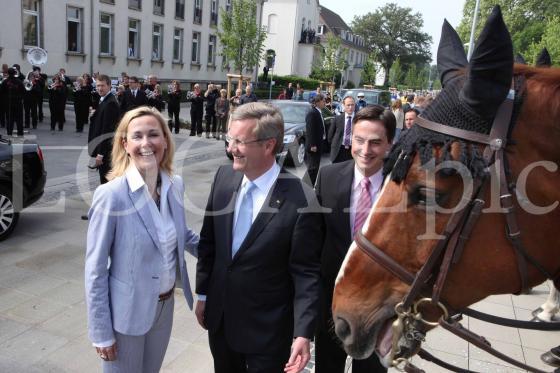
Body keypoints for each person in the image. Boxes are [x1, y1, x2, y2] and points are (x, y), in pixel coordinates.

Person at [195, 102, 322, 373]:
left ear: (268, 145)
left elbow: (305, 273)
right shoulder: (223, 178)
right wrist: (203, 294)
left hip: (268, 330)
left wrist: (303, 333)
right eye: (230, 139)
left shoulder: (302, 198)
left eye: (240, 141)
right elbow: (209, 243)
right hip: (221, 320)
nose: (231, 149)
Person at [85, 106, 199, 373]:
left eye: (153, 134)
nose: (146, 143)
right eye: (137, 136)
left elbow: (181, 233)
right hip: (126, 313)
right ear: (125, 144)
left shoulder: (174, 184)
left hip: (164, 308)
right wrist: (101, 331)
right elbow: (95, 270)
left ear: (165, 141)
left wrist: (229, 252)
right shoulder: (111, 196)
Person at [314, 104, 395, 373]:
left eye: (375, 142)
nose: (365, 149)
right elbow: (312, 242)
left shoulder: (401, 188)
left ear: (389, 144)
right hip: (332, 304)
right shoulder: (327, 177)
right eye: (359, 140)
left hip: (379, 310)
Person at [87, 74, 120, 184]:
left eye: (102, 85)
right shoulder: (104, 100)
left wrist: (100, 154)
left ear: (109, 86)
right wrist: (94, 116)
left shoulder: (111, 103)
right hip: (103, 150)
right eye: (97, 86)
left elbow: (107, 132)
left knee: (106, 182)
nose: (99, 88)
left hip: (106, 153)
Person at [305, 94, 327, 186]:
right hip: (314, 146)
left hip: (318, 144)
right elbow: (310, 130)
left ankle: (310, 185)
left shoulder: (318, 112)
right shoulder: (312, 113)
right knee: (312, 168)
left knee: (315, 167)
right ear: (318, 102)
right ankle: (307, 187)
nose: (325, 102)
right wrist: (312, 145)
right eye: (323, 101)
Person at [328, 95, 355, 163]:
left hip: (353, 150)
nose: (350, 107)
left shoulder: (359, 119)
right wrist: (334, 145)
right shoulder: (337, 119)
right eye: (348, 105)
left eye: (352, 105)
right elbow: (330, 136)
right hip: (338, 150)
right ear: (343, 105)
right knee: (336, 171)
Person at [0, 68, 25, 137]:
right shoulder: (19, 82)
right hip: (18, 103)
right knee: (19, 119)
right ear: (14, 73)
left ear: (8, 73)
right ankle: (20, 134)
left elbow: (1, 92)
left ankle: (9, 133)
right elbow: (24, 92)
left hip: (8, 103)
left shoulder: (5, 82)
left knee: (9, 119)